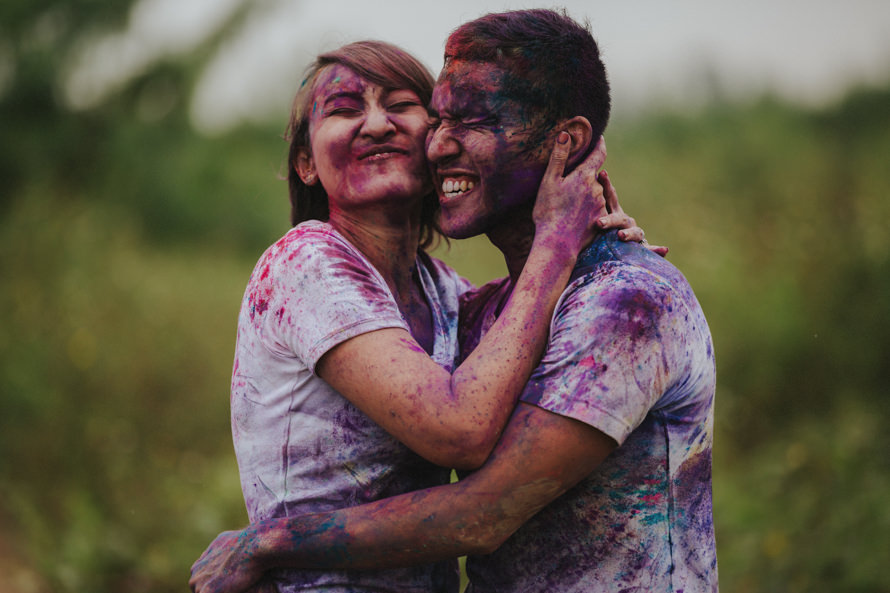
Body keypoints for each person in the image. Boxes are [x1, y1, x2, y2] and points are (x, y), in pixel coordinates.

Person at [190, 8, 716, 593]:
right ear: (305, 163)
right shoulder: (307, 263)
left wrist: (587, 247)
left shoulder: (551, 299)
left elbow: (483, 501)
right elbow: (459, 428)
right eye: (343, 110)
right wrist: (559, 244)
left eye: (407, 108)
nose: (381, 126)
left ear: (568, 142)